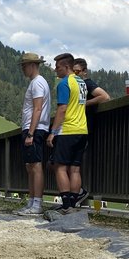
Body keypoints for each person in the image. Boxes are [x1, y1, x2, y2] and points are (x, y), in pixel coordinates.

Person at [47, 52, 88, 213]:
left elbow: (62, 108)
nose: (55, 70)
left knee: (60, 167)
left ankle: (66, 204)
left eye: (57, 67)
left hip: (67, 130)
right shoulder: (81, 82)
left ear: (66, 67)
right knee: (75, 168)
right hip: (82, 129)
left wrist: (53, 132)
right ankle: (73, 203)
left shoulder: (64, 84)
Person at [17, 51, 51, 216]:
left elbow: (37, 108)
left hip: (35, 129)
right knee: (30, 166)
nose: (22, 69)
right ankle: (32, 201)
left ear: (32, 65)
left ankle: (37, 203)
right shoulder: (36, 82)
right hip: (32, 128)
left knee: (35, 166)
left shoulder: (37, 83)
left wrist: (30, 133)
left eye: (24, 66)